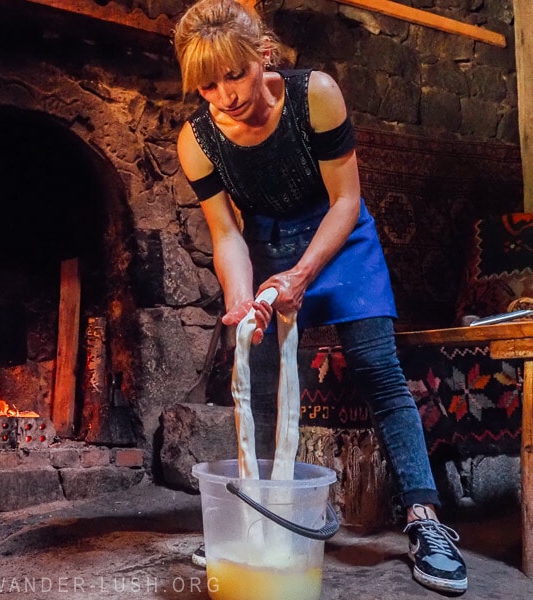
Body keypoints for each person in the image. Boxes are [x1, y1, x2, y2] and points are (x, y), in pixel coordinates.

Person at [173, 0, 467, 594]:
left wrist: (303, 274)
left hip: (339, 233)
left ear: (263, 55)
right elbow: (227, 233)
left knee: (377, 368)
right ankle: (257, 517)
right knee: (255, 380)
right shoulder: (197, 140)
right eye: (207, 85)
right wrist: (241, 302)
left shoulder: (316, 96)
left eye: (234, 74)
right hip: (266, 244)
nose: (225, 95)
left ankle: (425, 518)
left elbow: (346, 200)